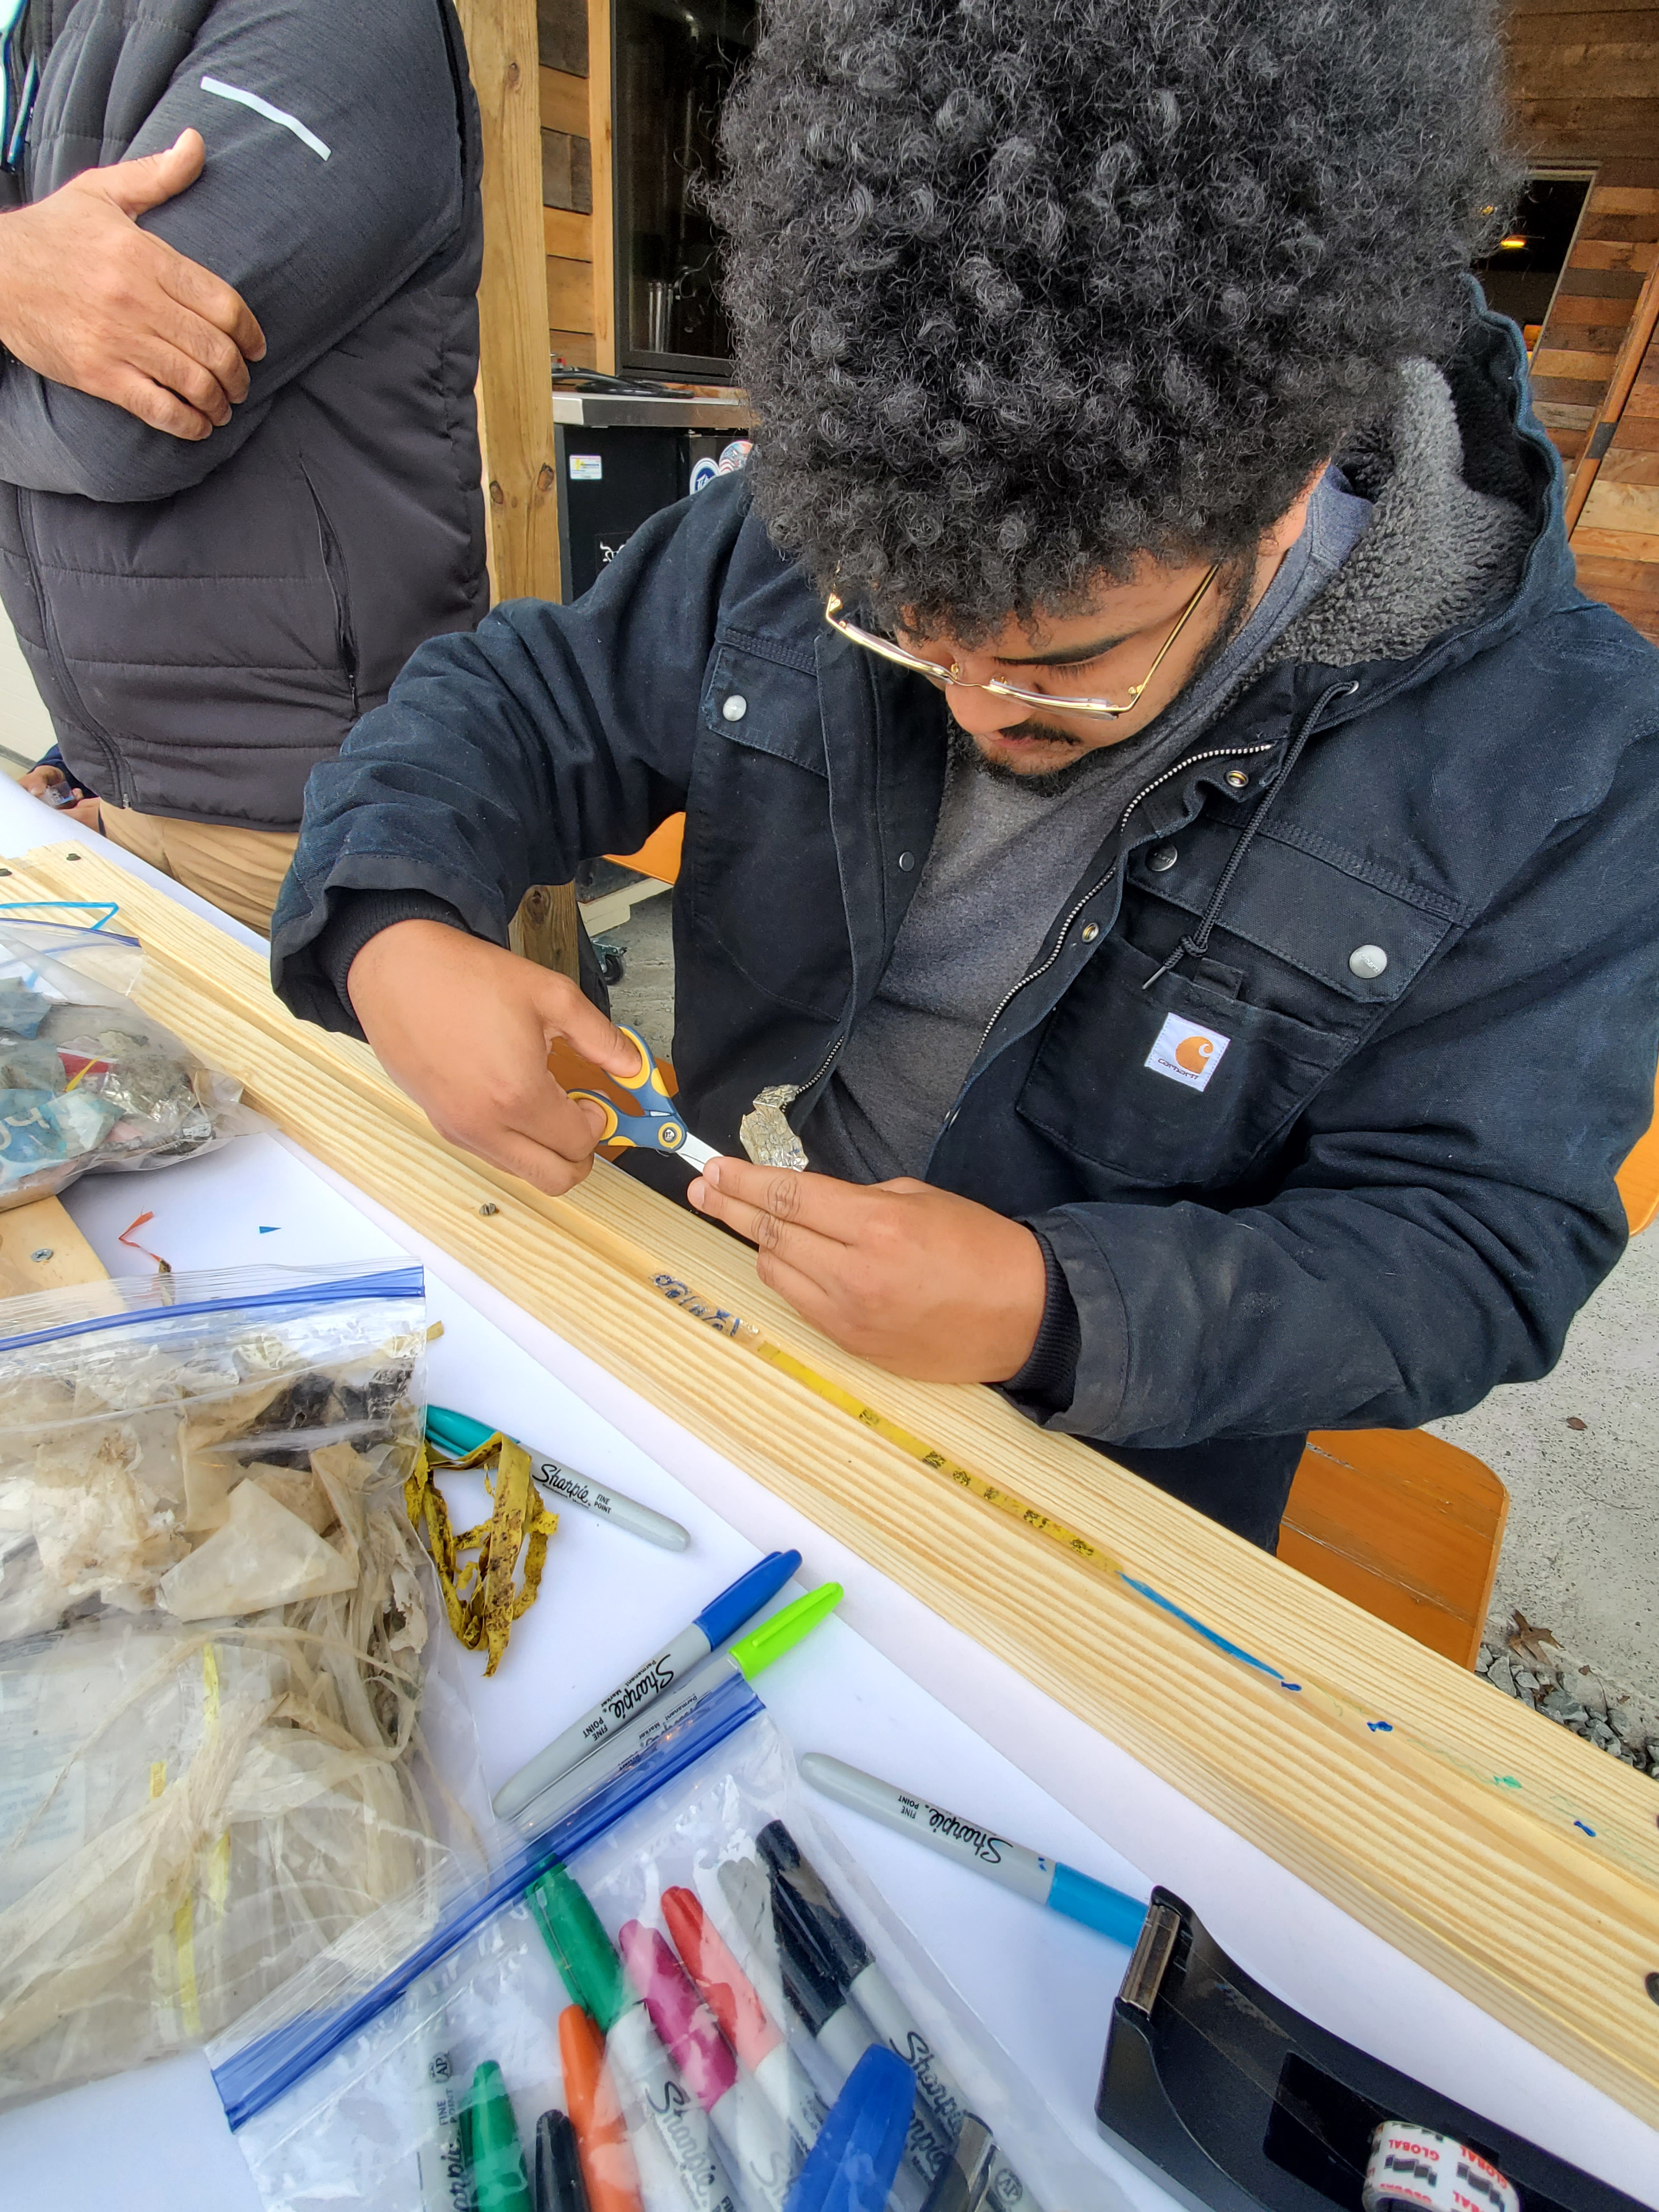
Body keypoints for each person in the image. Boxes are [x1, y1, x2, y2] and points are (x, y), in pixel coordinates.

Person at [270, 0, 1659, 1550]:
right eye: (908, 634)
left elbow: (1473, 1250)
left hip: (1083, 1484)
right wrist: (392, 927)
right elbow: (524, 700)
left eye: (1067, 659)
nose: (980, 706)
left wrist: (1048, 1304)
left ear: (1279, 490)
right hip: (721, 1324)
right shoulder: (860, 481)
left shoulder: (1565, 758)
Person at [0, 0, 487, 934]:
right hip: (112, 793)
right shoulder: (42, 35)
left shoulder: (338, 20)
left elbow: (130, 423)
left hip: (323, 824)